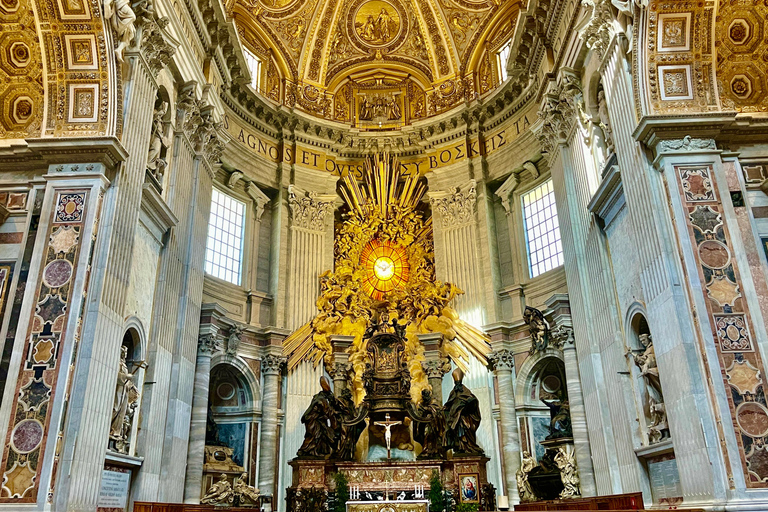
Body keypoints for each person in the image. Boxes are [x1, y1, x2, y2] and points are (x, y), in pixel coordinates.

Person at [296, 376, 341, 458]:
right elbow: (328, 413)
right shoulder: (322, 400)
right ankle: (304, 450)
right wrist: (336, 418)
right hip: (313, 420)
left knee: (321, 436)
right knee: (314, 436)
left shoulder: (318, 397)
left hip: (316, 420)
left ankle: (317, 452)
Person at [443, 368, 484, 454]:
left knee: (466, 432)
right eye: (456, 383)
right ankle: (459, 447)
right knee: (456, 432)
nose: (457, 384)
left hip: (465, 417)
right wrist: (445, 408)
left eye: (458, 383)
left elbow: (473, 401)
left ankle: (469, 447)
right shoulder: (453, 392)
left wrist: (466, 406)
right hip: (455, 418)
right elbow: (449, 403)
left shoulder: (465, 391)